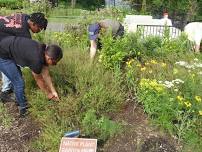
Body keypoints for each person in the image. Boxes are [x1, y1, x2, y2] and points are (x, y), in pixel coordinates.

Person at [0, 36, 63, 116]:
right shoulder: (37, 60)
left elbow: (46, 75)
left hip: (9, 46)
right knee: (19, 83)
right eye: (54, 63)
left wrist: (53, 91)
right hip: (3, 56)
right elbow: (39, 80)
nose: (54, 65)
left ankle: (19, 99)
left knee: (17, 78)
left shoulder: (44, 50)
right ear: (49, 58)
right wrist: (49, 94)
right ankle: (23, 108)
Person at [0, 12, 48, 101]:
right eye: (39, 28)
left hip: (3, 35)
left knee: (7, 59)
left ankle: (8, 88)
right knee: (7, 60)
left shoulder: (25, 16)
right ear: (33, 24)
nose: (39, 30)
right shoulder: (23, 33)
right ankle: (5, 92)